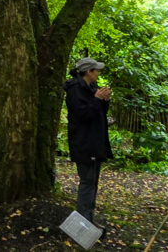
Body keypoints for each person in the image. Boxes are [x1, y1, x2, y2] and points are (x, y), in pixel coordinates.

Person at [64, 57, 112, 226]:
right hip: (84, 144)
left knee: (92, 183)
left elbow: (98, 113)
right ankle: (81, 224)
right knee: (87, 183)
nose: (98, 73)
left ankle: (88, 221)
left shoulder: (91, 87)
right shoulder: (75, 89)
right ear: (88, 72)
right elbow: (83, 115)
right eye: (96, 70)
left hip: (95, 143)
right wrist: (97, 100)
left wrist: (104, 101)